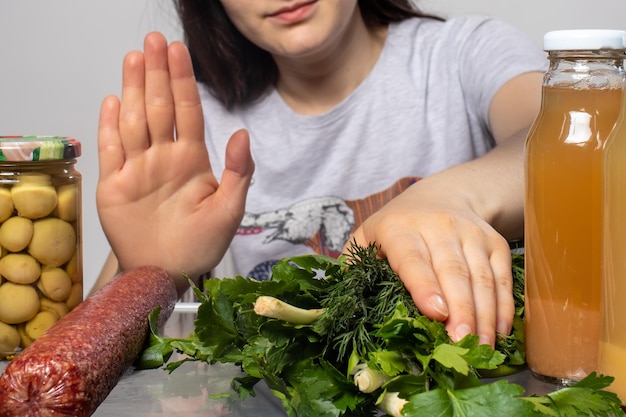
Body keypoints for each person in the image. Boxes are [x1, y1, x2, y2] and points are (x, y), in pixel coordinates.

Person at [93, 0, 545, 348]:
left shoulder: (464, 52)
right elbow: (72, 364)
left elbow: (576, 139)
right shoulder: (194, 123)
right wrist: (149, 275)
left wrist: (450, 197)